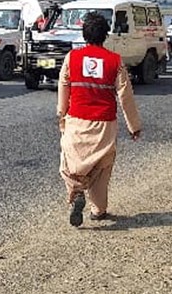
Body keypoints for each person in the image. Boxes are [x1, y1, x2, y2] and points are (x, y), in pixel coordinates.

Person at [56, 12, 143, 227]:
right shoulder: (115, 61)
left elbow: (64, 86)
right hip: (104, 124)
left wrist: (61, 115)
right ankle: (98, 209)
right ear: (105, 35)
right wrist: (134, 126)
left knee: (71, 162)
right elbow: (125, 95)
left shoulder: (72, 57)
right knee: (102, 167)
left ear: (84, 34)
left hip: (76, 120)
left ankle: (76, 193)